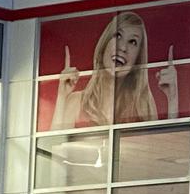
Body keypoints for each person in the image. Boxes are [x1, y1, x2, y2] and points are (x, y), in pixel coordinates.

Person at [51, 10, 180, 128]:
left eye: (132, 42)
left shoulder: (143, 107)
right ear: (105, 44)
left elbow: (164, 145)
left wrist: (172, 98)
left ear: (138, 59)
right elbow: (55, 145)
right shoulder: (77, 102)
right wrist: (62, 96)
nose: (122, 47)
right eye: (118, 35)